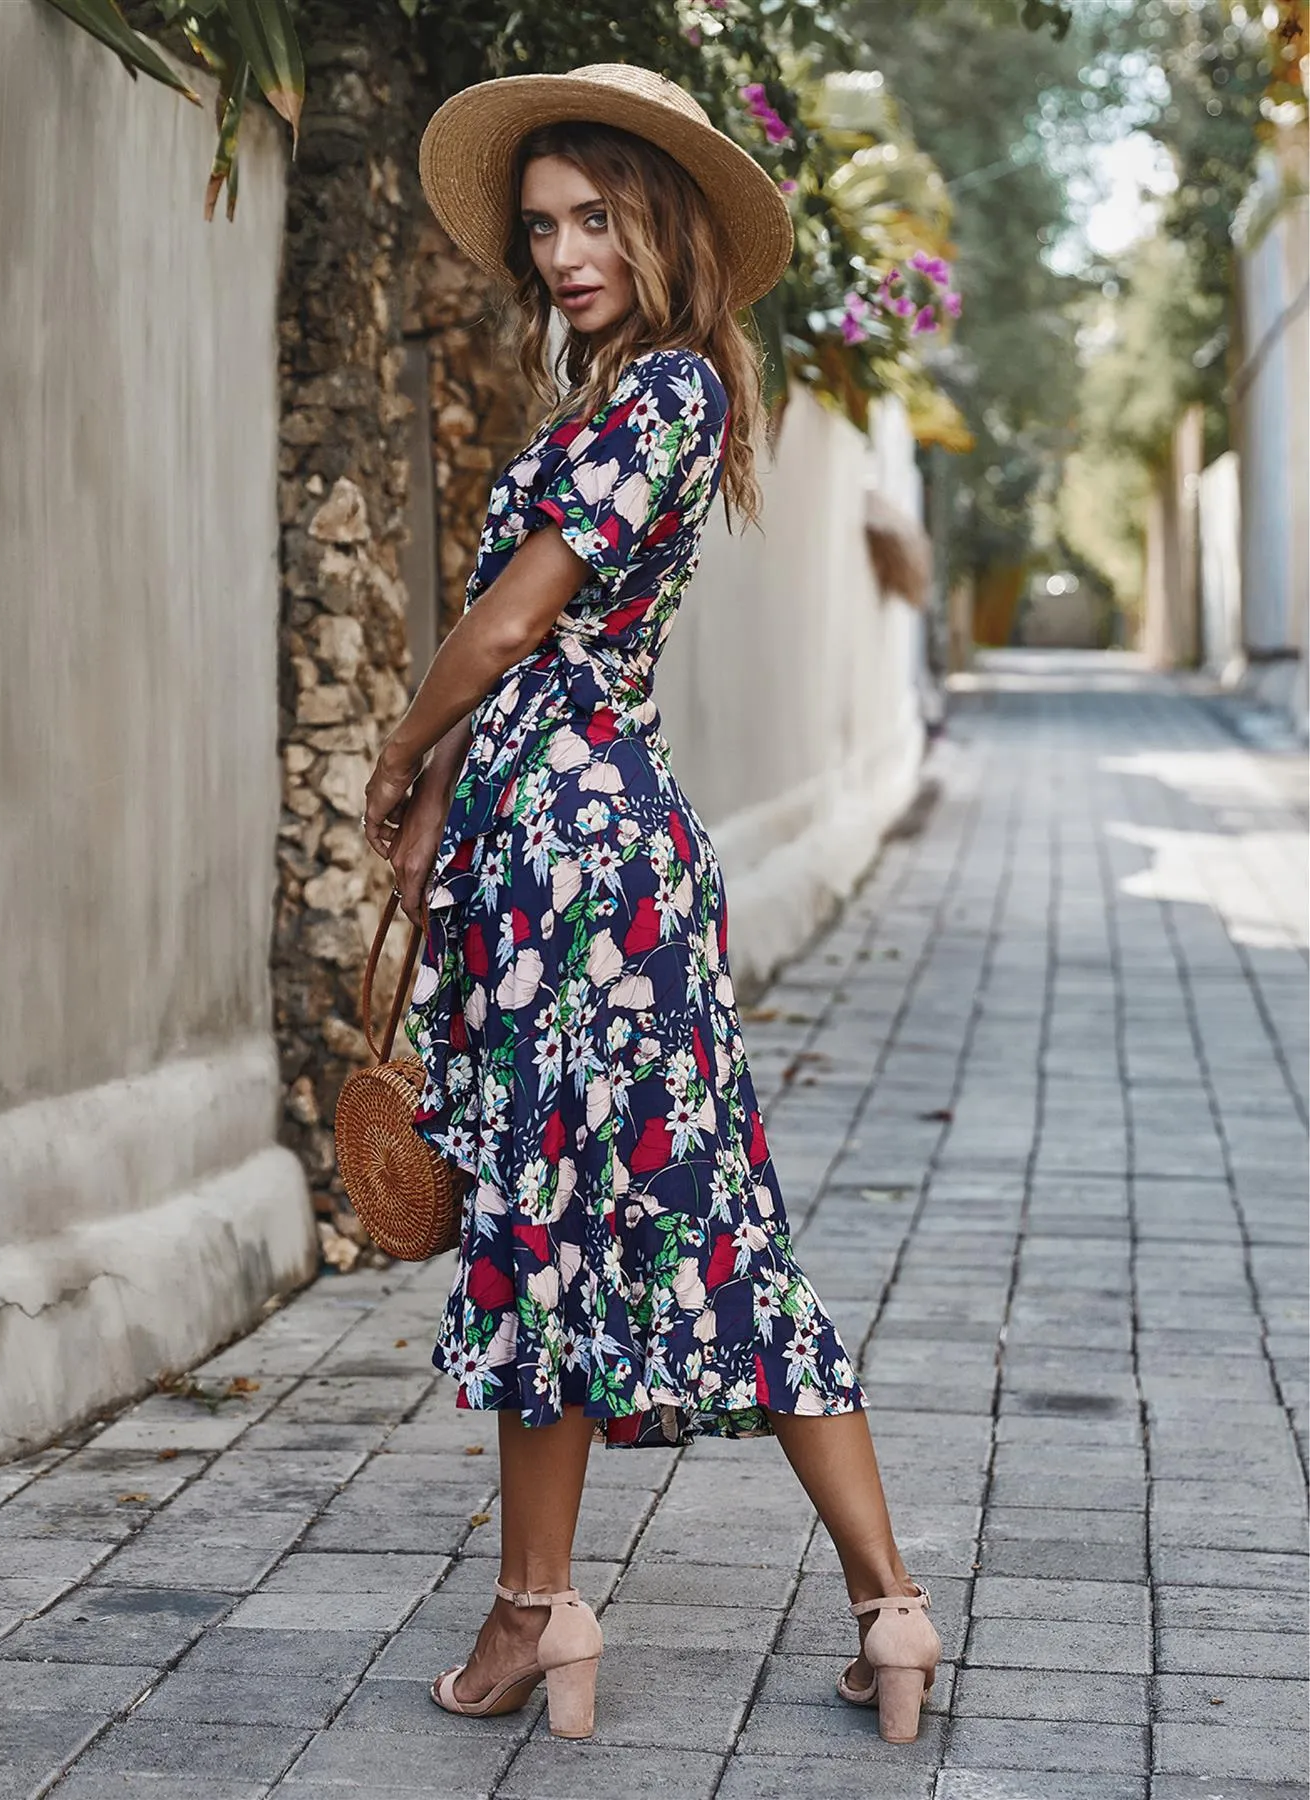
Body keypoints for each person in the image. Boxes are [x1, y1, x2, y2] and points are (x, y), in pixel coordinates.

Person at [361, 63, 940, 1745]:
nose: (561, 253)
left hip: (576, 858)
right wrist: (444, 806)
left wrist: (407, 756)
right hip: (574, 843)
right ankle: (867, 1615)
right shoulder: (628, 399)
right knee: (640, 1224)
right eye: (541, 228)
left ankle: (547, 1616)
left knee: (572, 1226)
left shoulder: (660, 397)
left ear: (662, 221)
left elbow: (508, 626)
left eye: (593, 219)